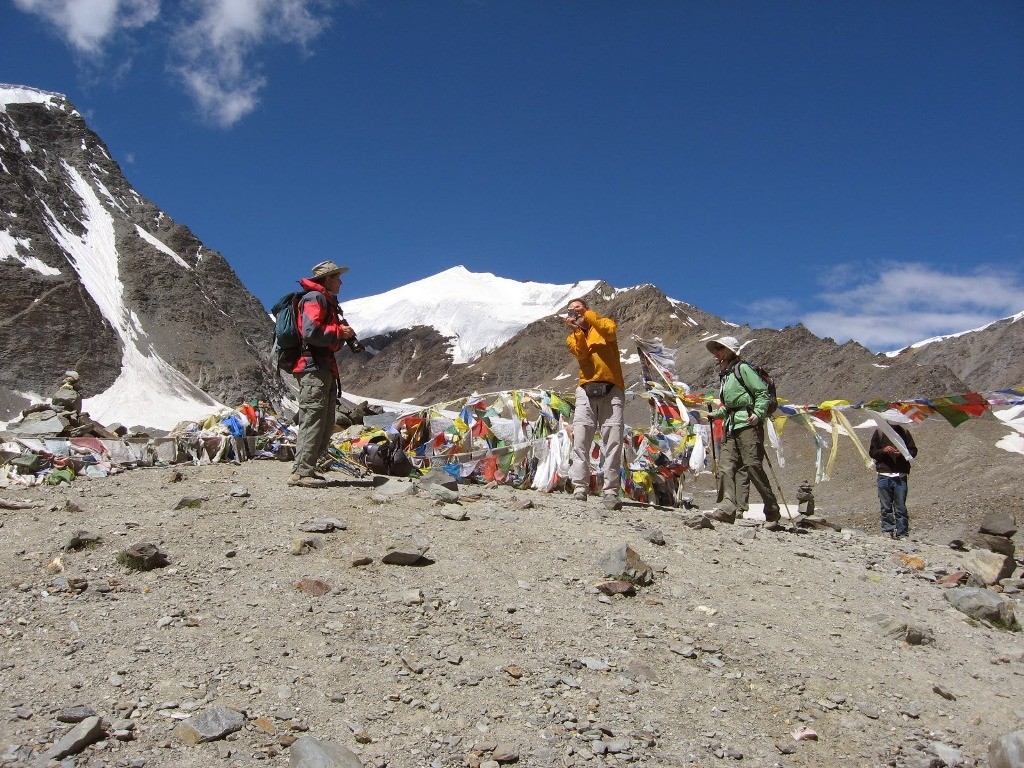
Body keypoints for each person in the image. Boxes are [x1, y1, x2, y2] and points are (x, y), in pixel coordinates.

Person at [287, 260, 357, 488]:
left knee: (325, 422)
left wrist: (340, 337)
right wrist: (339, 331)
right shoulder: (314, 299)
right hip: (313, 369)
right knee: (313, 419)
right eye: (337, 277)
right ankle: (302, 472)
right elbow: (311, 332)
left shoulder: (325, 301)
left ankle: (307, 468)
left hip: (323, 368)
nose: (341, 281)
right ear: (327, 279)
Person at [705, 336, 780, 524]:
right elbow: (730, 405)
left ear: (729, 351)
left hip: (748, 424)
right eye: (715, 349)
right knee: (726, 467)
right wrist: (718, 414)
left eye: (719, 349)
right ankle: (727, 507)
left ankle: (772, 509)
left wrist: (758, 413)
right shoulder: (726, 374)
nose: (716, 353)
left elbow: (761, 393)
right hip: (731, 426)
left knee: (752, 467)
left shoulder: (742, 369)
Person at [565, 297, 626, 510]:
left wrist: (588, 316)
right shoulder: (572, 337)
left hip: (612, 389)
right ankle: (580, 487)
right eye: (571, 310)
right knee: (581, 439)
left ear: (587, 309)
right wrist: (577, 331)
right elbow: (581, 354)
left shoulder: (604, 324)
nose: (575, 312)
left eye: (578, 308)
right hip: (586, 390)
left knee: (613, 440)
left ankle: (610, 490)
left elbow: (609, 332)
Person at [868, 423, 918, 539]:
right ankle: (888, 530)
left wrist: (902, 452)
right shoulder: (879, 433)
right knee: (886, 506)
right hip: (884, 474)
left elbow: (913, 451)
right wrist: (884, 450)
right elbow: (873, 453)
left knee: (900, 507)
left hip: (900, 475)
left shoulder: (904, 432)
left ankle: (902, 533)